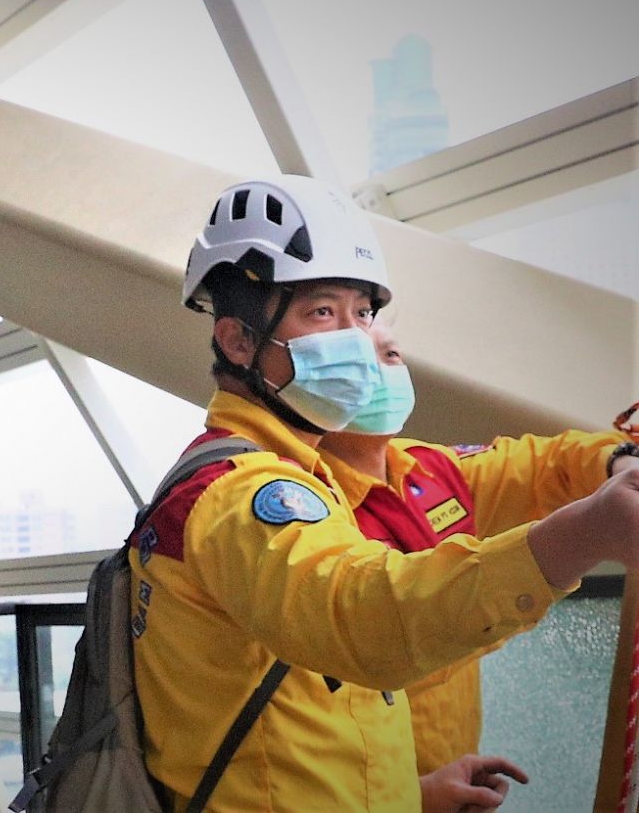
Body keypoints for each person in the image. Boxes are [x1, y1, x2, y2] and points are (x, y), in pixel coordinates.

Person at [128, 174, 639, 810]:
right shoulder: (237, 497)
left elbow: (316, 732)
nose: (357, 342)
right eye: (322, 312)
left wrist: (411, 795)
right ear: (238, 341)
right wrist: (584, 534)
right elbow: (364, 621)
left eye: (362, 314)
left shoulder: (303, 473)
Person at [319, 320, 635, 779]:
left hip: (449, 770)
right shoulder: (306, 511)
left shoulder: (434, 470)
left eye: (391, 355)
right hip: (362, 788)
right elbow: (330, 683)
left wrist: (619, 462)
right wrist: (415, 797)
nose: (384, 372)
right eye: (362, 360)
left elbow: (550, 463)